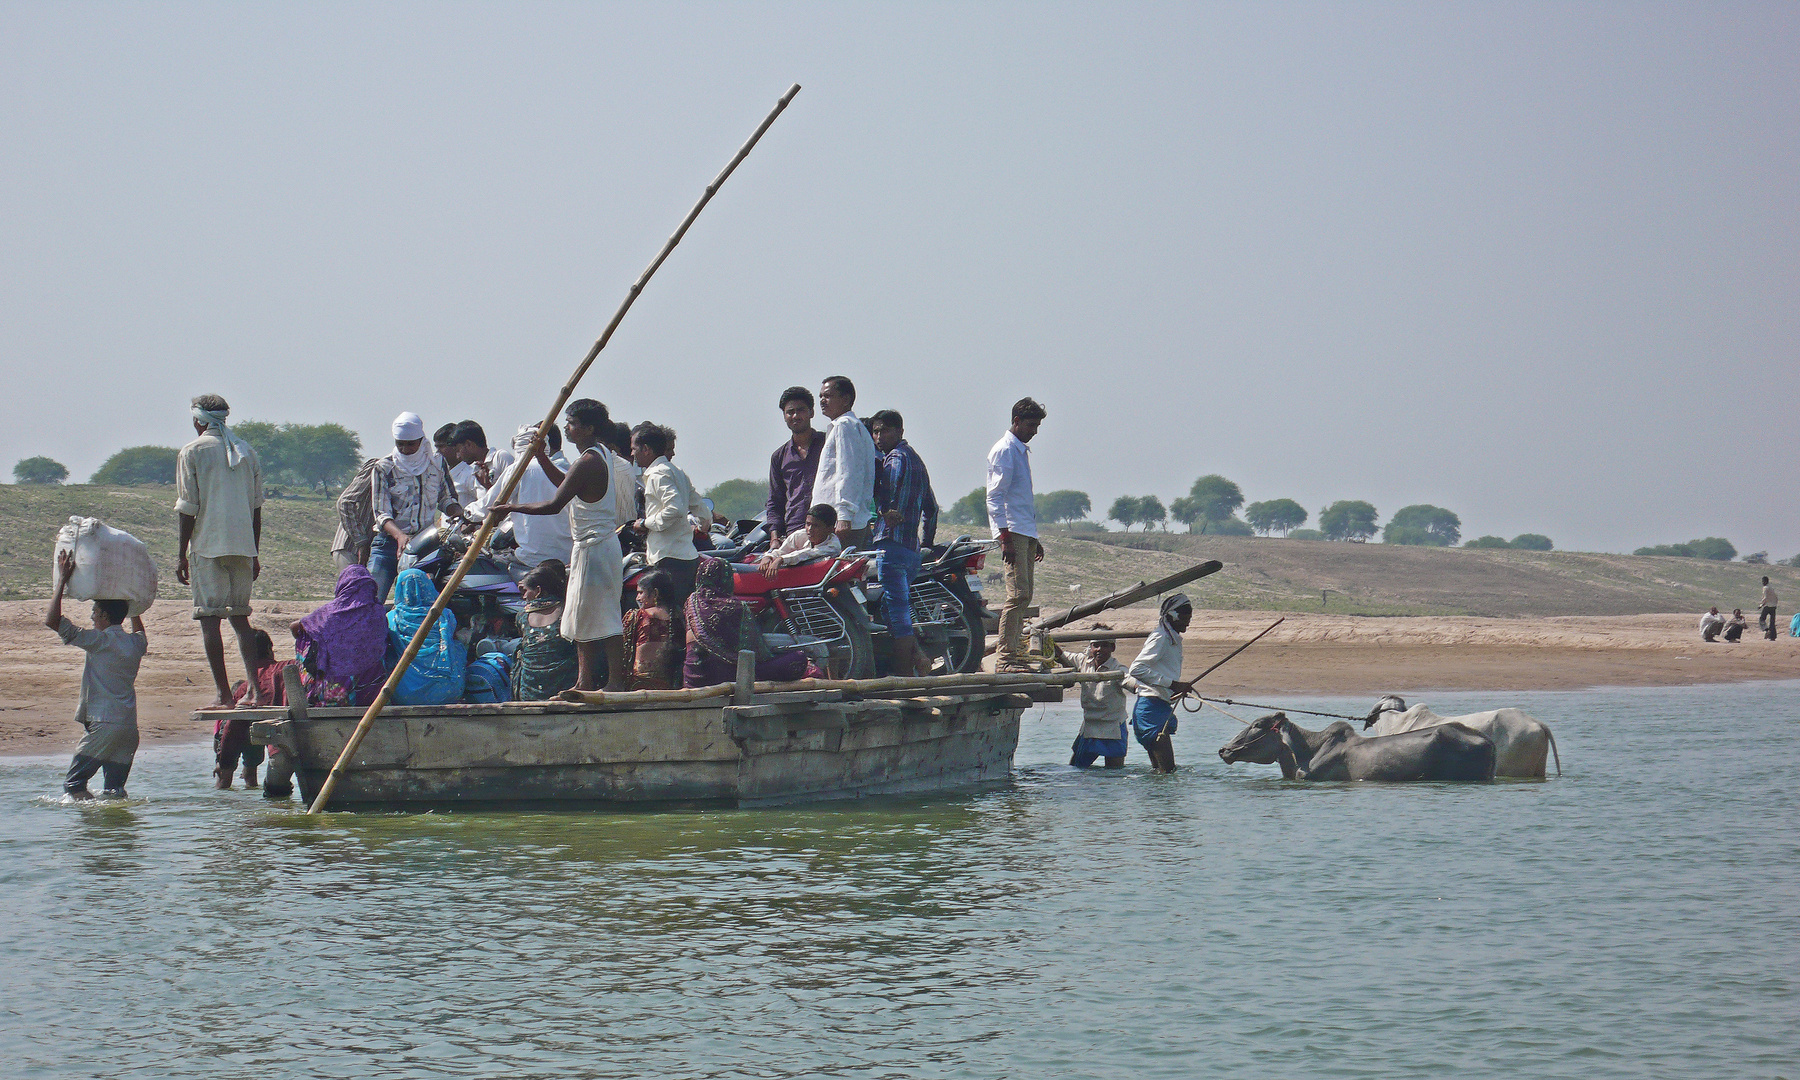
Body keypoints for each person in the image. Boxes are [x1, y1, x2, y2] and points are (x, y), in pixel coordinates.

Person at [489, 399, 626, 692]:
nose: (567, 428)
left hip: (595, 547)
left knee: (604, 616)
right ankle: (584, 681)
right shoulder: (597, 455)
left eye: (572, 423)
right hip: (594, 547)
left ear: (588, 428)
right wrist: (542, 457)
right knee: (580, 614)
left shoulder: (589, 460)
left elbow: (554, 503)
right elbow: (566, 484)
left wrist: (510, 507)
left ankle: (615, 683)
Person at [175, 393, 268, 708]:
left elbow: (188, 508)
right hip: (242, 547)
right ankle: (254, 691)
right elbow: (256, 509)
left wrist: (181, 553)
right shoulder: (246, 452)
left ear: (198, 420)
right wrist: (254, 552)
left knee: (210, 619)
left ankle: (224, 694)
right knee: (240, 620)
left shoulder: (193, 452)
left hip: (208, 546)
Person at [45, 551, 147, 800]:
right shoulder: (136, 644)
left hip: (104, 725)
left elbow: (52, 621)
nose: (91, 616)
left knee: (74, 786)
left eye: (94, 611)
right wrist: (130, 600)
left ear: (102, 616)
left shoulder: (99, 640)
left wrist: (62, 581)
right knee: (114, 792)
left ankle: (91, 833)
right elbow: (139, 629)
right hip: (128, 728)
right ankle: (115, 835)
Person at [869, 410, 939, 676]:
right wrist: (927, 544)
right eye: (875, 431)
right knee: (893, 607)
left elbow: (888, 486)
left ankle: (903, 676)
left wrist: (885, 509)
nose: (878, 437)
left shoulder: (895, 457)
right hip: (911, 549)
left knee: (897, 611)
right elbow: (931, 508)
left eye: (884, 431)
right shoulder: (917, 460)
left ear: (899, 432)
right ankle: (918, 658)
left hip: (892, 544)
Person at [369, 412, 462, 604]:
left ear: (421, 440)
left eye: (410, 444)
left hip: (425, 545)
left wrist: (457, 511)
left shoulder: (436, 462)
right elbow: (381, 512)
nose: (405, 448)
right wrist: (400, 536)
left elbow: (446, 498)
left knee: (419, 604)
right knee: (370, 600)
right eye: (400, 444)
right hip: (388, 545)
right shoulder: (383, 468)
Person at [987, 397, 1046, 672]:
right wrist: (1004, 537)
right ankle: (1005, 658)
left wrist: (1034, 537)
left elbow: (1020, 499)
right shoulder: (1004, 450)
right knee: (1017, 595)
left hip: (1024, 530)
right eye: (1031, 425)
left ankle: (1015, 654)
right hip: (1012, 531)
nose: (1034, 431)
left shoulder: (1019, 450)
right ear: (1017, 421)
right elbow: (995, 497)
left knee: (1026, 595)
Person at [683, 556, 808, 687]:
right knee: (798, 658)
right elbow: (758, 653)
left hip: (693, 680)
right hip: (731, 678)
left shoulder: (691, 601)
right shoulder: (736, 607)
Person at [470, 423, 574, 570]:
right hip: (566, 555)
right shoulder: (561, 470)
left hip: (532, 557)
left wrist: (466, 513)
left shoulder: (518, 469)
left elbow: (487, 506)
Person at [627, 422, 702, 619]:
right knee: (681, 616)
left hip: (667, 558)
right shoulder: (675, 471)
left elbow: (675, 509)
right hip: (685, 555)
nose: (632, 454)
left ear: (646, 449)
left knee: (665, 618)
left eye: (634, 449)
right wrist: (704, 523)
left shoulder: (658, 474)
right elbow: (698, 505)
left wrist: (644, 524)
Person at [291, 564, 390, 708]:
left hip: (334, 690)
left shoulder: (328, 612)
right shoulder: (379, 613)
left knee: (307, 637)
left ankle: (317, 691)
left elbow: (295, 627)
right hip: (370, 694)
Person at [1125, 594, 1196, 774]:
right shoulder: (1161, 637)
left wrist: (1174, 689)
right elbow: (1136, 669)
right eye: (1184, 618)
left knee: (1159, 772)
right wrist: (1172, 684)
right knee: (1168, 772)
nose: (1188, 622)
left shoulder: (1172, 638)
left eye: (1189, 618)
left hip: (1159, 706)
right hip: (1150, 710)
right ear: (1172, 616)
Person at [812, 375, 877, 548]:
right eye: (820, 397)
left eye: (828, 396)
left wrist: (843, 515)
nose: (822, 401)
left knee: (835, 573)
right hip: (842, 519)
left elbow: (849, 472)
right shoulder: (853, 426)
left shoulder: (845, 425)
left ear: (845, 399)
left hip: (840, 521)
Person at [386, 569, 467, 705]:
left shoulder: (392, 618)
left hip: (402, 692)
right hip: (447, 690)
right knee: (458, 647)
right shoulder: (445, 616)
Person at [220, 629, 289, 789]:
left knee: (224, 780)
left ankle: (222, 802)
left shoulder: (243, 688)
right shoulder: (281, 670)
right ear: (269, 649)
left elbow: (227, 727)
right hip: (274, 732)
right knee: (263, 773)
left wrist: (221, 761)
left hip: (238, 732)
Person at [511, 560, 579, 700]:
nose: (523, 597)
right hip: (565, 692)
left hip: (528, 694)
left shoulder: (522, 616)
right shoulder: (569, 612)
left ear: (538, 591)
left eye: (525, 591)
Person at [765, 386, 824, 542]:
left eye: (801, 410)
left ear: (811, 412)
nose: (795, 416)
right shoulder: (779, 456)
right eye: (790, 412)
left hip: (828, 528)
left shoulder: (828, 445)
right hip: (795, 529)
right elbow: (775, 500)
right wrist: (775, 538)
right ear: (784, 416)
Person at [621, 570, 681, 690]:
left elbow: (621, 651)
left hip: (639, 685)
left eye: (640, 593)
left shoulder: (638, 615)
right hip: (671, 686)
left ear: (655, 593)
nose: (637, 598)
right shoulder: (680, 616)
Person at [757, 504, 842, 578]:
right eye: (808, 524)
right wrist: (768, 557)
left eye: (816, 526)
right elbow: (781, 551)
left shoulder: (833, 546)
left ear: (830, 529)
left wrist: (781, 560)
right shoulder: (799, 535)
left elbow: (807, 554)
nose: (810, 529)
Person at [1760, 576, 1779, 641]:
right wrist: (1775, 604)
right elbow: (1776, 597)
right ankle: (1772, 637)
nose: (1762, 583)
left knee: (1762, 619)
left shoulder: (1765, 588)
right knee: (1772, 622)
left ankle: (1766, 630)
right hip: (1773, 606)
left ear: (1765, 581)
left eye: (1763, 581)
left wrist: (1761, 605)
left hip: (1768, 606)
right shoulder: (1771, 588)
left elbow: (1765, 598)